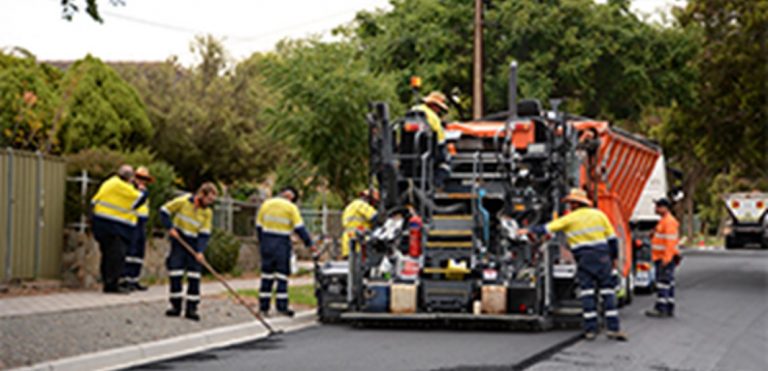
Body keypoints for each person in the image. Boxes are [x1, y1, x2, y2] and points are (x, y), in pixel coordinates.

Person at [518, 188, 628, 341]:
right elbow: (612, 239)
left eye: (570, 203)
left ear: (576, 204)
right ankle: (613, 329)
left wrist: (527, 230)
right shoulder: (600, 215)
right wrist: (614, 258)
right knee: (608, 293)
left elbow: (548, 228)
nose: (569, 206)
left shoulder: (570, 218)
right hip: (603, 258)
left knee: (587, 294)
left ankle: (591, 330)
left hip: (585, 260)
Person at [160, 183, 217, 321]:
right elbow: (164, 211)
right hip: (179, 241)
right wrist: (170, 228)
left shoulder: (207, 213)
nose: (210, 203)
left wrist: (200, 251)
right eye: (209, 200)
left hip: (194, 243)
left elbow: (204, 234)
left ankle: (191, 309)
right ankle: (176, 306)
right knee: (176, 273)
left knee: (194, 276)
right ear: (201, 195)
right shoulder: (183, 201)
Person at [256, 186, 314, 317]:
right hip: (281, 245)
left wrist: (262, 242)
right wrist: (309, 244)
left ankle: (263, 307)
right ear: (291, 197)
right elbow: (300, 228)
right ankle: (281, 307)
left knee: (266, 276)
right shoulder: (291, 208)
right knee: (281, 277)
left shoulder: (266, 204)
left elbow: (258, 227)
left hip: (266, 244)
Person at [91, 165, 147, 294]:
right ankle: (112, 285)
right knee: (117, 256)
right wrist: (142, 189)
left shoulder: (109, 182)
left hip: (101, 224)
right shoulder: (122, 186)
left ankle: (107, 282)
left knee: (107, 256)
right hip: (115, 227)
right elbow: (139, 199)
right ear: (129, 177)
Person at [646, 198, 681, 318]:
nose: (655, 209)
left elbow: (670, 242)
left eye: (658, 206)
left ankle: (661, 308)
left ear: (664, 208)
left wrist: (666, 259)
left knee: (663, 283)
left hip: (664, 258)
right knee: (668, 283)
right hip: (662, 257)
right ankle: (668, 307)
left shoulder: (669, 222)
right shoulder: (664, 221)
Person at [121, 166, 154, 291]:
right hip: (133, 221)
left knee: (139, 252)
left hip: (142, 222)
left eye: (144, 179)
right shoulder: (132, 189)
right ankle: (126, 278)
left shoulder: (143, 189)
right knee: (131, 250)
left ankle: (134, 279)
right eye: (140, 178)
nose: (142, 181)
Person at [411, 91, 451, 189]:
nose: (439, 111)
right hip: (429, 154)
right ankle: (436, 185)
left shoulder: (413, 110)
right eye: (439, 108)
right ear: (434, 106)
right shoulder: (433, 118)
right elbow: (440, 141)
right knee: (447, 164)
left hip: (411, 154)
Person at [340, 189, 379, 259]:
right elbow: (375, 217)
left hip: (347, 242)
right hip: (358, 243)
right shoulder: (361, 205)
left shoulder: (350, 206)